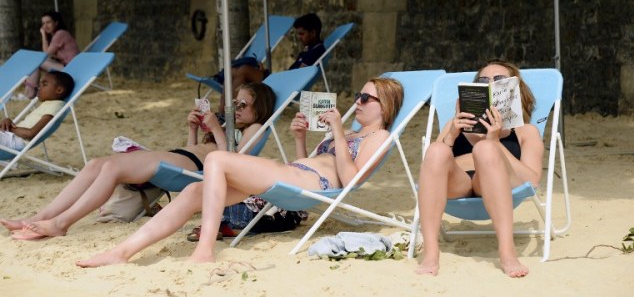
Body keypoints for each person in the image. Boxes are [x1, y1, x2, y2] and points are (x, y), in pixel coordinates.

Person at [75, 76, 403, 267]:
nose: (357, 102)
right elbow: (312, 161)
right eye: (358, 96)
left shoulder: (381, 137)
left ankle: (204, 250)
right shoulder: (346, 133)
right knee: (193, 192)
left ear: (384, 106)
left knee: (217, 160)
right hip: (294, 175)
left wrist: (339, 133)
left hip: (309, 184)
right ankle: (123, 252)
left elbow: (349, 179)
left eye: (365, 98)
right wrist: (301, 140)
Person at [2, 82, 276, 240]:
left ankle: (61, 223)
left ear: (259, 108)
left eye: (243, 105)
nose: (236, 109)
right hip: (184, 157)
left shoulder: (256, 129)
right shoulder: (232, 127)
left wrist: (216, 129)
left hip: (194, 166)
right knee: (97, 163)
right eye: (235, 103)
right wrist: (193, 128)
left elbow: (231, 161)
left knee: (111, 167)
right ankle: (40, 217)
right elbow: (197, 147)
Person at [415, 59, 544, 278]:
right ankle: (431, 253)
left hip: (500, 183)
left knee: (486, 150)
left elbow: (532, 180)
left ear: (515, 90)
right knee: (436, 150)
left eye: (499, 80)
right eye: (483, 81)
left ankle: (507, 252)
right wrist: (452, 135)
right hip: (460, 184)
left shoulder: (525, 132)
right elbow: (433, 168)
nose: (491, 84)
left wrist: (494, 144)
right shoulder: (454, 125)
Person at [215, 13, 325, 115]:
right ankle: (223, 111)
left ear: (313, 33)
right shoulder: (309, 50)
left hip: (283, 87)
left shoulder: (316, 52)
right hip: (282, 82)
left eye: (302, 34)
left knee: (244, 70)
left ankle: (228, 113)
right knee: (232, 72)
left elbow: (298, 75)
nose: (299, 37)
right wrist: (266, 72)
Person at [0, 71, 74, 150]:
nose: (39, 87)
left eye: (44, 84)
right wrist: (7, 124)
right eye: (40, 84)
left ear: (59, 90)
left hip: (14, 141)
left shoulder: (56, 106)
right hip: (10, 137)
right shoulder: (49, 104)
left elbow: (30, 133)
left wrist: (9, 128)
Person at [19, 11, 80, 100]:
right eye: (43, 23)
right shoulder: (58, 34)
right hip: (68, 67)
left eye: (48, 22)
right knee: (37, 62)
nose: (45, 26)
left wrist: (43, 35)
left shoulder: (60, 34)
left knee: (37, 62)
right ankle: (30, 91)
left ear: (56, 22)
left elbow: (46, 54)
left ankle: (30, 93)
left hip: (71, 69)